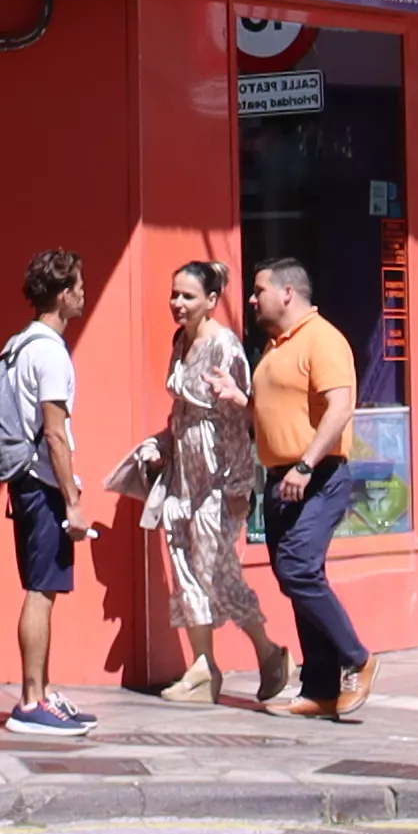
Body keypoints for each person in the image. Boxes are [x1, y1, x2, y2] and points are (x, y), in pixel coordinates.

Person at [111, 259, 291, 706]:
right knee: (184, 568)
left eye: (187, 296)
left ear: (211, 301)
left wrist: (238, 489)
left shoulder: (224, 347)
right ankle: (202, 668)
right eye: (174, 294)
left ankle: (269, 654)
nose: (177, 303)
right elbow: (183, 413)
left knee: (216, 571)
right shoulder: (180, 342)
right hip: (183, 475)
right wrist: (162, 445)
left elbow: (237, 423)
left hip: (217, 477)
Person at [247, 258, 375, 723]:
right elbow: (275, 411)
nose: (251, 297)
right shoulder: (276, 346)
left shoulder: (322, 339)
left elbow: (341, 407)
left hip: (316, 476)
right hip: (283, 479)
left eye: (258, 288)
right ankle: (319, 687)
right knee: (294, 576)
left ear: (287, 293)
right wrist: (237, 400)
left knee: (299, 570)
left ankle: (356, 659)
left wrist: (305, 463)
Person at [0, 250, 92, 737]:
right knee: (41, 591)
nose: (85, 293)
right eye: (80, 286)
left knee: (42, 588)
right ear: (63, 295)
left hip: (23, 481)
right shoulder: (49, 352)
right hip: (42, 484)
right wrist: (73, 500)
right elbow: (54, 433)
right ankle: (30, 702)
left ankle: (42, 693)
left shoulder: (20, 343)